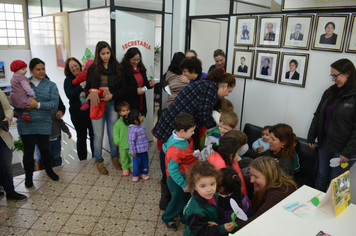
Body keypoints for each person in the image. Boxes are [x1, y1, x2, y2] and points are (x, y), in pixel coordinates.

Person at [153, 68, 235, 211]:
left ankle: (170, 193)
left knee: (171, 157)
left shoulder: (206, 85)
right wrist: (215, 130)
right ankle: (166, 196)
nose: (227, 94)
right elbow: (204, 114)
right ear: (224, 85)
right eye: (229, 91)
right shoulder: (210, 88)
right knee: (168, 158)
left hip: (177, 123)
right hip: (174, 125)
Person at [307, 58, 356, 192]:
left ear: (348, 73)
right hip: (325, 144)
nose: (333, 79)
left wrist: (348, 151)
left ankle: (334, 210)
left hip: (344, 149)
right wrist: (311, 136)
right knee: (321, 175)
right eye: (332, 75)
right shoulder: (330, 92)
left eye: (336, 75)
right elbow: (318, 114)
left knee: (337, 180)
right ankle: (319, 206)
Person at [17, 58, 60, 188]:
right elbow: (15, 101)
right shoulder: (23, 83)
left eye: (43, 69)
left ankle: (49, 170)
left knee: (45, 149)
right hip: (25, 122)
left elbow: (54, 104)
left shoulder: (51, 85)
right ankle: (28, 177)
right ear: (31, 70)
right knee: (28, 151)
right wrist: (26, 105)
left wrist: (38, 105)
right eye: (38, 69)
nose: (41, 72)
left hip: (43, 122)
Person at [85, 41, 126, 175]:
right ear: (98, 54)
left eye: (107, 53)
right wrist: (95, 93)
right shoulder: (92, 68)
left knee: (113, 134)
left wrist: (112, 95)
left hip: (112, 104)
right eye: (103, 53)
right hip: (97, 105)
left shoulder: (117, 67)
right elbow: (87, 91)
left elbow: (123, 89)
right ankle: (99, 160)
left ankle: (115, 157)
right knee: (98, 135)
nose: (105, 56)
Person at [231, 156, 298, 232]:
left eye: (255, 176)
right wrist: (232, 178)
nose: (251, 180)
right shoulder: (276, 179)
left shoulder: (277, 195)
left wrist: (223, 229)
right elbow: (246, 181)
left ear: (268, 175)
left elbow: (256, 221)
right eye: (251, 175)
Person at [161, 112, 198, 231]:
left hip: (183, 175)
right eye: (192, 131)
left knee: (186, 197)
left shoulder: (177, 136)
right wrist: (183, 184)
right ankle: (167, 218)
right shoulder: (175, 150)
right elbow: (173, 170)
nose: (193, 133)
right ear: (182, 131)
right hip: (175, 178)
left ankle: (183, 218)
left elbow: (164, 146)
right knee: (178, 199)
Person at [183, 161, 235, 236]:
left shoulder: (212, 194)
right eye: (203, 186)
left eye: (212, 184)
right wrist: (221, 229)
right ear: (194, 186)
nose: (209, 189)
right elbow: (201, 233)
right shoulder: (195, 212)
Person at [64, 57, 94, 162]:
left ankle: (96, 159)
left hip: (91, 112)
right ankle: (83, 162)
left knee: (94, 136)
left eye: (75, 65)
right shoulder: (68, 80)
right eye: (71, 67)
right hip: (77, 115)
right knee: (81, 138)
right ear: (69, 70)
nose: (74, 68)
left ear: (80, 65)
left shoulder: (88, 75)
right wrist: (82, 85)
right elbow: (70, 95)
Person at [0, 89, 27, 200]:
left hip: (2, 136)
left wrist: (7, 118)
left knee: (7, 167)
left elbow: (7, 109)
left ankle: (10, 191)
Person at [207, 132, 248, 196]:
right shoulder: (221, 170)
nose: (238, 155)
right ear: (231, 156)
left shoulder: (221, 156)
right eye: (237, 152)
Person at [120, 47, 155, 117]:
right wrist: (135, 90)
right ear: (128, 59)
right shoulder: (122, 70)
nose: (136, 62)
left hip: (141, 104)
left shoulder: (142, 69)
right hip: (129, 105)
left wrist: (149, 84)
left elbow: (144, 85)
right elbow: (122, 88)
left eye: (138, 59)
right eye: (133, 59)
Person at [128, 110, 150, 182]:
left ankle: (144, 173)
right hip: (137, 152)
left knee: (145, 162)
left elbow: (144, 137)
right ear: (135, 121)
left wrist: (147, 143)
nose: (142, 117)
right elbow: (131, 142)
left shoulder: (142, 126)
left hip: (144, 149)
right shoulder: (132, 130)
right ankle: (135, 174)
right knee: (136, 164)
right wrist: (133, 152)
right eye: (140, 116)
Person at [113, 101, 132, 176]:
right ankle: (125, 168)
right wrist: (118, 142)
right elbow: (115, 134)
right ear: (120, 113)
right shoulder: (118, 123)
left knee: (132, 157)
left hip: (131, 145)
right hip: (122, 145)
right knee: (124, 158)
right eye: (123, 111)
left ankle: (132, 167)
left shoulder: (132, 121)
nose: (126, 112)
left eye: (127, 110)